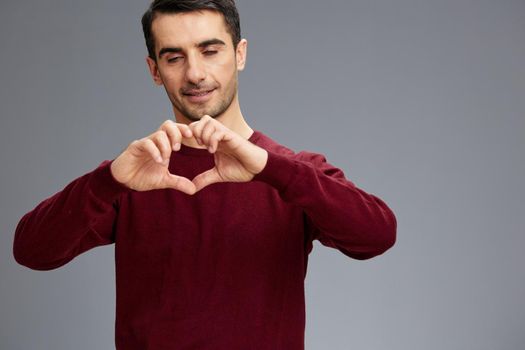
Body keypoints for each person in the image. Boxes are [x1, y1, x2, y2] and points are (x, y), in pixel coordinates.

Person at [13, 0, 397, 349]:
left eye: (210, 51)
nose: (195, 73)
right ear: (154, 70)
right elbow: (31, 251)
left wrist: (268, 167)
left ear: (240, 54)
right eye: (174, 57)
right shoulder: (135, 174)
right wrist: (107, 180)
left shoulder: (292, 172)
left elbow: (377, 234)